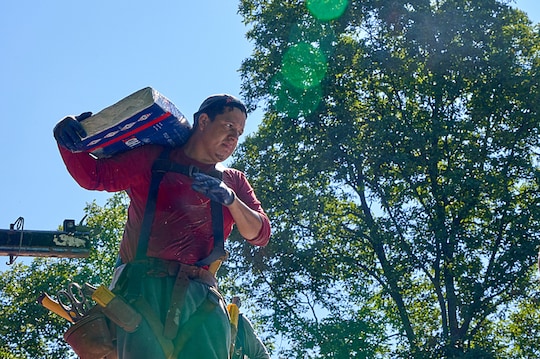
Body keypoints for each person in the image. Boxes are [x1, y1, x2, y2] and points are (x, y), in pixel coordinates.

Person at [53, 93, 271, 359]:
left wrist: (231, 200)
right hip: (143, 289)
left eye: (239, 132)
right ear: (203, 121)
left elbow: (259, 234)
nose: (233, 138)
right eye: (228, 126)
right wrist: (68, 139)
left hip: (202, 297)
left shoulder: (233, 181)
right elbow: (95, 176)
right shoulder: (153, 159)